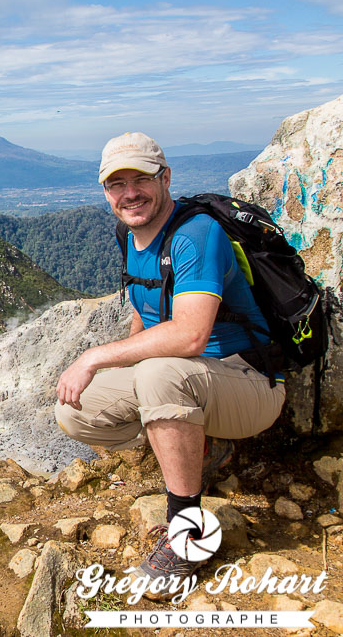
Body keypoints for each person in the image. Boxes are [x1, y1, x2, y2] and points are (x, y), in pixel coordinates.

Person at [54, 132, 286, 597]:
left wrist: (95, 356)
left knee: (159, 373)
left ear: (166, 178)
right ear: (105, 192)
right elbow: (148, 312)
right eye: (116, 184)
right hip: (196, 384)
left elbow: (189, 334)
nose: (129, 193)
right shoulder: (131, 234)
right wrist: (106, 370)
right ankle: (193, 443)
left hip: (250, 382)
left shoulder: (196, 234)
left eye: (140, 179)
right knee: (73, 408)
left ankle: (186, 535)